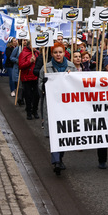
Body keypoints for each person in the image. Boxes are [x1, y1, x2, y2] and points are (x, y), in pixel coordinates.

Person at [38, 42, 77, 175]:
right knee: (54, 133)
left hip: (66, 106)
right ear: (52, 54)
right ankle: (56, 161)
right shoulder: (46, 67)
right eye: (55, 52)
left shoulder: (71, 66)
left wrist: (73, 77)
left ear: (64, 52)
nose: (58, 55)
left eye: (60, 52)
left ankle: (60, 158)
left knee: (63, 132)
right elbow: (40, 89)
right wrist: (43, 86)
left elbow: (78, 86)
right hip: (52, 105)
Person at [18, 40, 40, 120]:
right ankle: (29, 112)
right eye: (33, 45)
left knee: (37, 95)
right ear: (29, 45)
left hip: (36, 77)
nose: (35, 47)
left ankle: (35, 110)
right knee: (28, 96)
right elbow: (20, 65)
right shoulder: (23, 53)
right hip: (27, 78)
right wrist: (29, 61)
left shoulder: (37, 53)